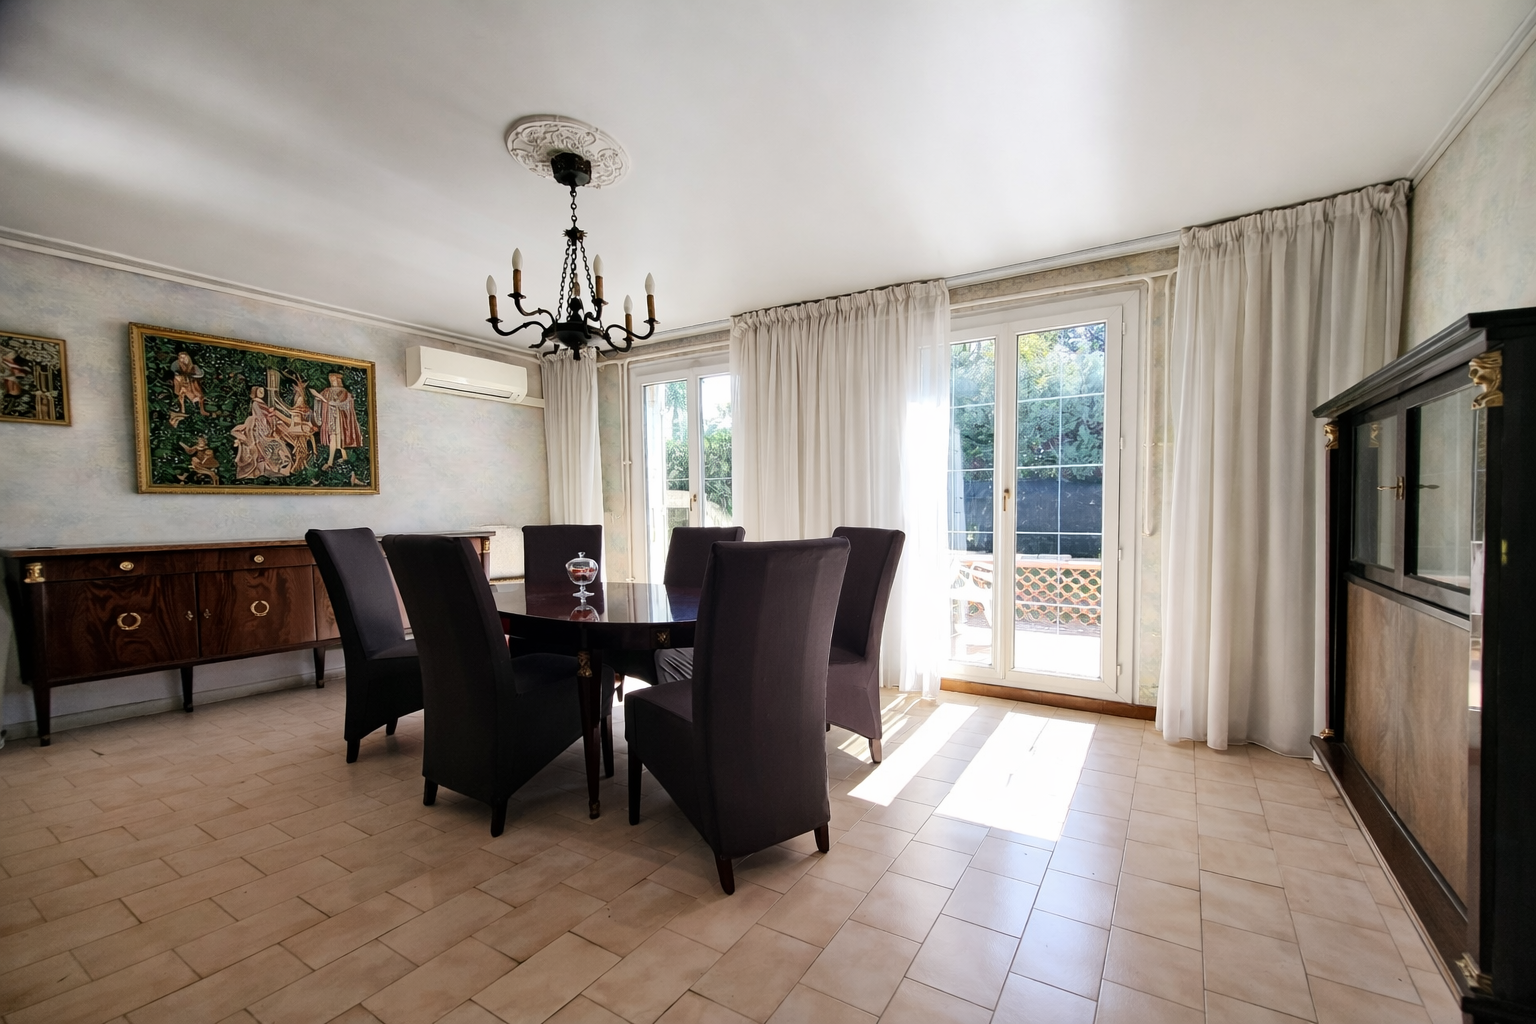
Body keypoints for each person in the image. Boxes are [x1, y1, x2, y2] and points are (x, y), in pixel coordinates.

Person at [231, 386, 293, 479]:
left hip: (269, 438)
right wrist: (244, 438)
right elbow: (235, 430)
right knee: (268, 453)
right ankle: (271, 469)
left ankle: (282, 468)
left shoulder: (268, 418)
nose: (262, 410)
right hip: (260, 441)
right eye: (260, 407)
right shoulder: (251, 419)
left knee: (280, 449)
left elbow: (272, 427)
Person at [310, 372, 363, 470]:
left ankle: (330, 462)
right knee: (336, 439)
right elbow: (319, 399)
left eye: (334, 379)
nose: (332, 381)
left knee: (336, 439)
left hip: (340, 420)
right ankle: (344, 457)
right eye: (331, 379)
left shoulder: (344, 392)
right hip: (330, 419)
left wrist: (325, 400)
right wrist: (319, 398)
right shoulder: (327, 391)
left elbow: (341, 403)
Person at [171, 351, 209, 416]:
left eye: (185, 357)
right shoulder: (177, 367)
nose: (183, 359)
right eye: (181, 358)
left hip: (193, 385)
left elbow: (199, 376)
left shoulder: (194, 367)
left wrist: (190, 377)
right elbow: (176, 376)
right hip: (183, 386)